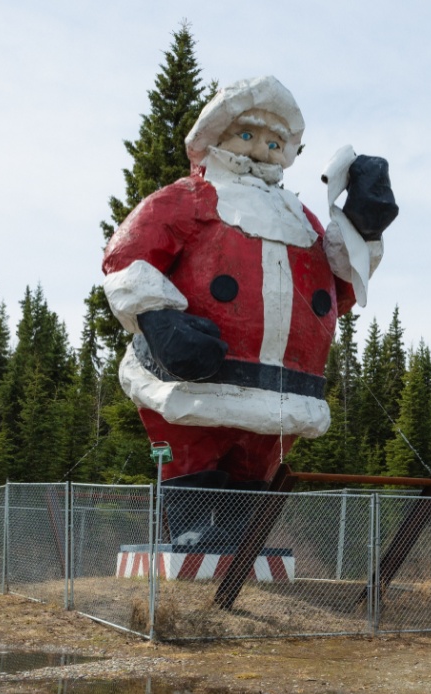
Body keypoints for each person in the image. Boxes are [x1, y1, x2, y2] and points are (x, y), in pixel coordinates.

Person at [101, 76, 396, 543]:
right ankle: (190, 532)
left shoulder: (301, 219)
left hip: (285, 385)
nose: (262, 148)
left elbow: (339, 287)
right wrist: (159, 320)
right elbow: (129, 254)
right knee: (194, 446)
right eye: (248, 134)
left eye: (275, 140)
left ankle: (244, 541)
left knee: (257, 466)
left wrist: (362, 225)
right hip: (198, 374)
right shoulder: (190, 198)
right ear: (216, 136)